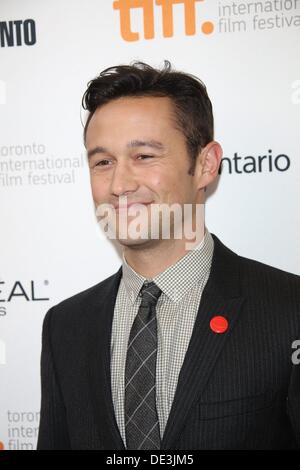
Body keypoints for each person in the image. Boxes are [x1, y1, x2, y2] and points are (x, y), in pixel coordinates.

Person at [37, 60, 300, 450]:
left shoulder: (288, 308)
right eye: (102, 162)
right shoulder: (65, 327)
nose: (119, 184)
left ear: (206, 165)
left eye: (144, 156)